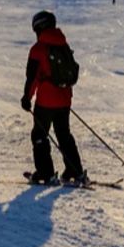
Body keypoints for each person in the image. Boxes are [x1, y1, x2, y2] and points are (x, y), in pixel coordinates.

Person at [21, 10, 85, 185]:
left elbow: (32, 77)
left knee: (39, 135)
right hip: (64, 99)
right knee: (64, 134)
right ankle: (75, 170)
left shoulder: (38, 49)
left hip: (46, 101)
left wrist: (27, 98)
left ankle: (45, 173)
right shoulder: (63, 45)